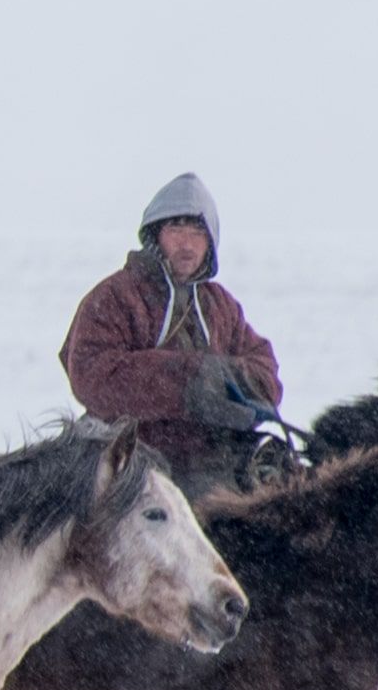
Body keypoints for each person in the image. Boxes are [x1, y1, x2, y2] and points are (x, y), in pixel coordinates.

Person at [59, 172, 282, 488]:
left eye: (198, 232)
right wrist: (189, 381)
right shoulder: (114, 297)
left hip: (214, 461)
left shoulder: (220, 305)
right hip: (134, 463)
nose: (187, 244)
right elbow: (92, 376)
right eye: (176, 229)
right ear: (155, 235)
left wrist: (228, 383)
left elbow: (265, 375)